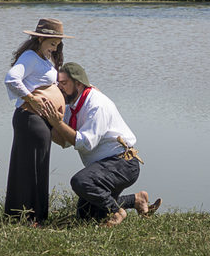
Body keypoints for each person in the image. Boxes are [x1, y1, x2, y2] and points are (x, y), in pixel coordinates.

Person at [38, 62, 160, 227]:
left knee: (81, 182)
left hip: (122, 163)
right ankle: (137, 200)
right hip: (104, 167)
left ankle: (117, 212)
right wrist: (45, 121)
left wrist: (58, 124)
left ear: (78, 84)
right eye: (58, 83)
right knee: (87, 217)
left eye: (64, 83)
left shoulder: (97, 105)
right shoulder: (71, 107)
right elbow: (64, 141)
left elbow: (85, 144)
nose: (60, 88)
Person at [3, 18, 69, 225]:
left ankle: (35, 216)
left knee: (37, 166)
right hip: (30, 119)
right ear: (40, 38)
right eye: (52, 43)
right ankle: (26, 217)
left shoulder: (42, 58)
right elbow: (12, 78)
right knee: (28, 167)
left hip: (39, 121)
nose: (54, 47)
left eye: (57, 44)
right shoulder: (30, 57)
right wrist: (31, 98)